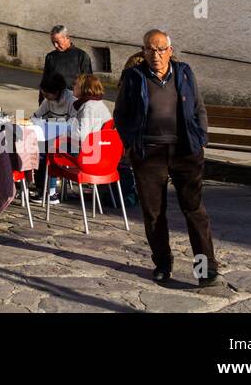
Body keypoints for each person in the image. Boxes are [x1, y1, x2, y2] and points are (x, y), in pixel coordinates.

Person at [113, 29, 218, 288]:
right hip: (149, 154)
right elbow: (121, 115)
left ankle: (205, 270)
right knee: (153, 214)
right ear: (143, 51)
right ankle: (162, 263)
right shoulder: (133, 76)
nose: (156, 54)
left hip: (185, 151)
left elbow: (198, 107)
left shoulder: (184, 72)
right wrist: (132, 144)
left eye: (161, 49)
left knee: (194, 211)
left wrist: (201, 136)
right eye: (150, 49)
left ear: (170, 51)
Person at [38, 25, 92, 99]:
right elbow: (45, 81)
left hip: (74, 101)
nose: (55, 45)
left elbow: (88, 83)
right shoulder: (50, 57)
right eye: (53, 42)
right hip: (54, 101)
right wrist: (42, 101)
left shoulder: (82, 56)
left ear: (67, 38)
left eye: (57, 42)